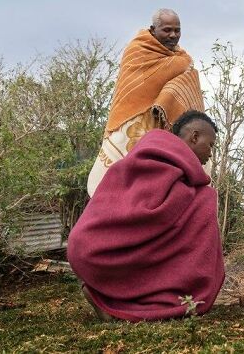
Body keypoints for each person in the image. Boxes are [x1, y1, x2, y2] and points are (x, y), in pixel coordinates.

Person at [68, 111, 225, 322]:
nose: (211, 153)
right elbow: (152, 214)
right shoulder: (163, 166)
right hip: (102, 249)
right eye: (211, 145)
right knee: (205, 200)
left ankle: (106, 301)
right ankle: (151, 302)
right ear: (195, 137)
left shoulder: (141, 155)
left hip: (86, 245)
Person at [87, 8, 206, 197]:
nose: (173, 35)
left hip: (164, 127)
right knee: (126, 184)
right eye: (167, 30)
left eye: (177, 30)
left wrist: (170, 95)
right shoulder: (137, 51)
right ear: (153, 30)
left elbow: (184, 79)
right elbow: (135, 90)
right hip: (134, 124)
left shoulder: (180, 57)